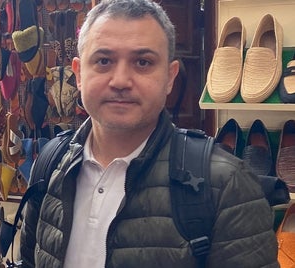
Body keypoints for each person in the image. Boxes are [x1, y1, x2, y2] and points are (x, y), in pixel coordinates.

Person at [19, 0, 278, 267]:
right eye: (104, 61)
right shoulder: (51, 165)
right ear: (79, 74)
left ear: (170, 76)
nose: (120, 80)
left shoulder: (226, 185)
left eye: (142, 62)